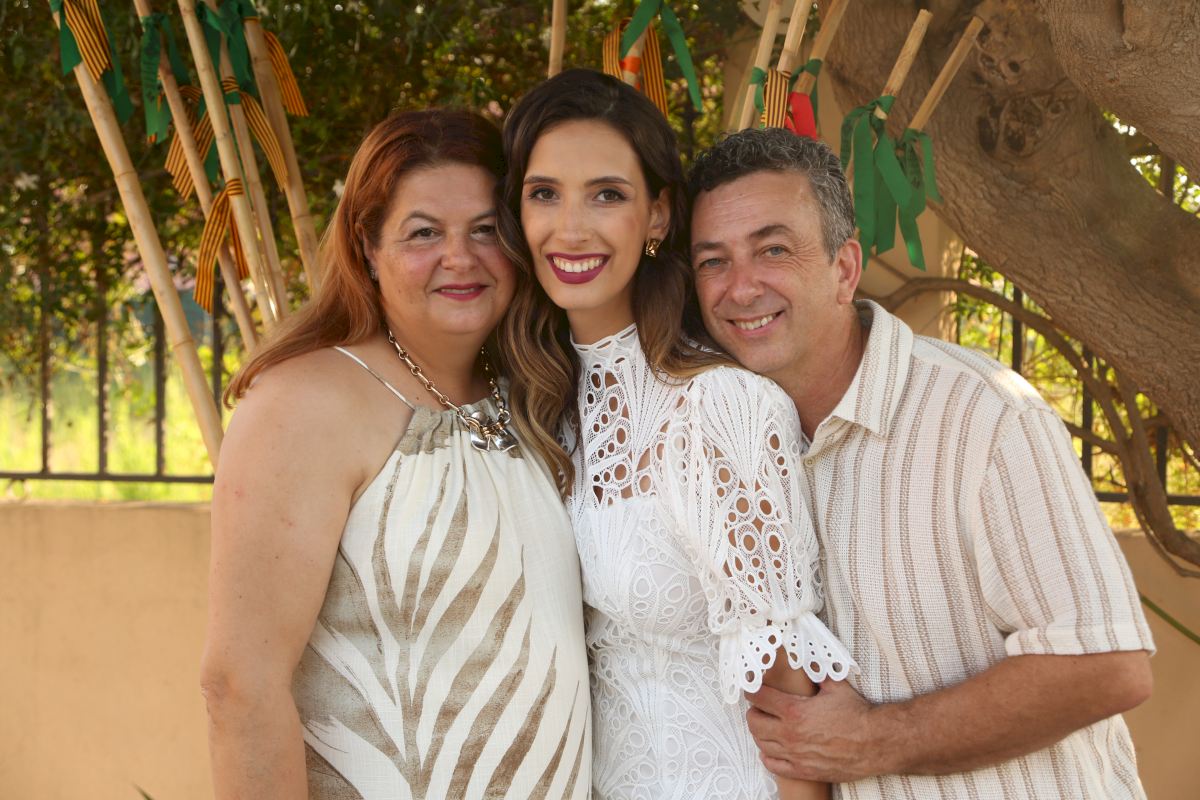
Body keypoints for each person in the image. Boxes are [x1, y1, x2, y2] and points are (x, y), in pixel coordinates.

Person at [687, 126, 1155, 799]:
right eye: (713, 261)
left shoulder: (986, 417)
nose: (740, 288)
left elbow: (1107, 665)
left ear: (844, 269)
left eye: (774, 250)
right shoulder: (725, 443)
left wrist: (875, 739)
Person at [200, 110, 591, 799]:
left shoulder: (532, 395)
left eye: (485, 230)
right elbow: (239, 686)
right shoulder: (305, 401)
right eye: (423, 233)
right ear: (367, 246)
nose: (460, 258)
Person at [495, 68, 855, 800]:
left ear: (658, 216)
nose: (572, 227)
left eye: (607, 194)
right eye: (545, 194)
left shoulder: (720, 406)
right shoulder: (537, 400)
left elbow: (790, 697)